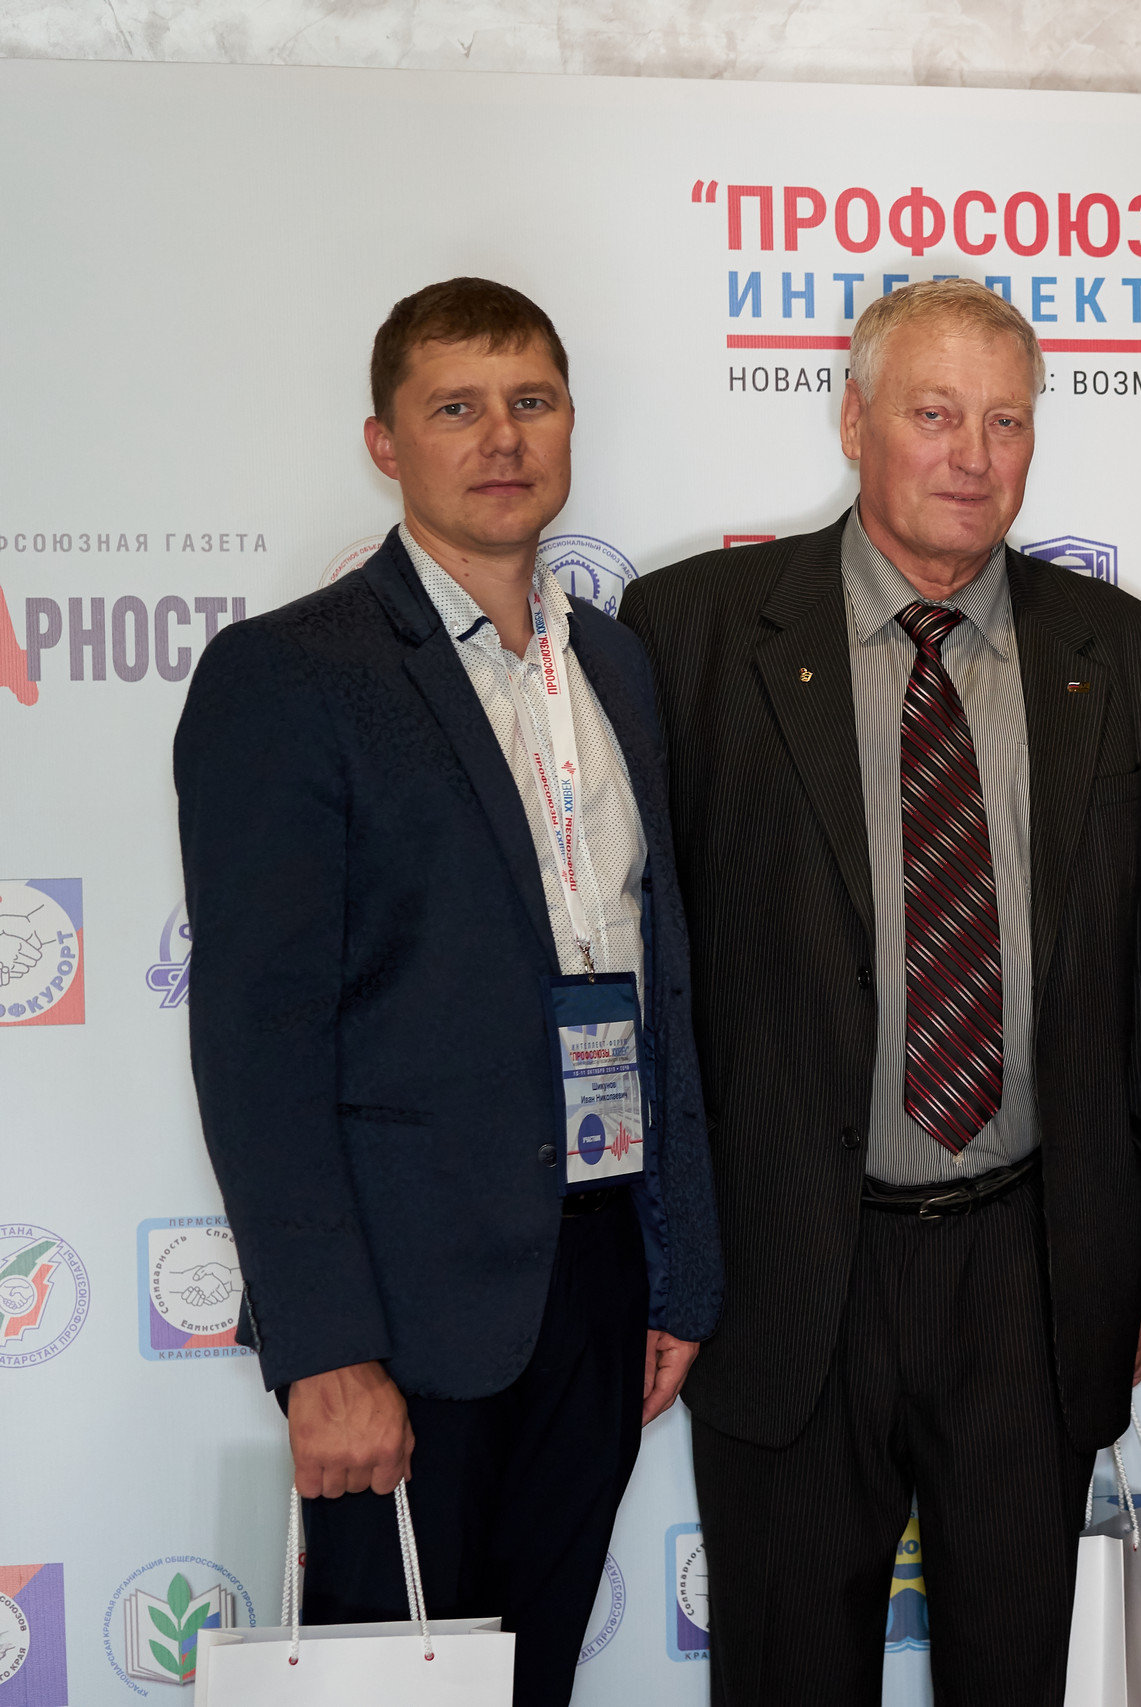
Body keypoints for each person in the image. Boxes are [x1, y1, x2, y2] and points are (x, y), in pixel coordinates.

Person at [617, 278, 1141, 1706]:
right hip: (792, 1270)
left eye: (1006, 421)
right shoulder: (691, 632)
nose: (973, 457)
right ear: (853, 418)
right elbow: (649, 974)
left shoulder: (1120, 652)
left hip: (1029, 1272)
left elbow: (1137, 997)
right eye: (934, 414)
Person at [173, 277, 722, 1707]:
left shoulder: (616, 665)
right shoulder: (290, 673)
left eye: (531, 401)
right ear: (384, 442)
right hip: (403, 1316)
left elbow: (652, 979)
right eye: (456, 407)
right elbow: (256, 1043)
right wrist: (325, 1350)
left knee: (532, 1682)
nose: (501, 437)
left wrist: (673, 1267)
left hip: (597, 1284)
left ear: (570, 422)